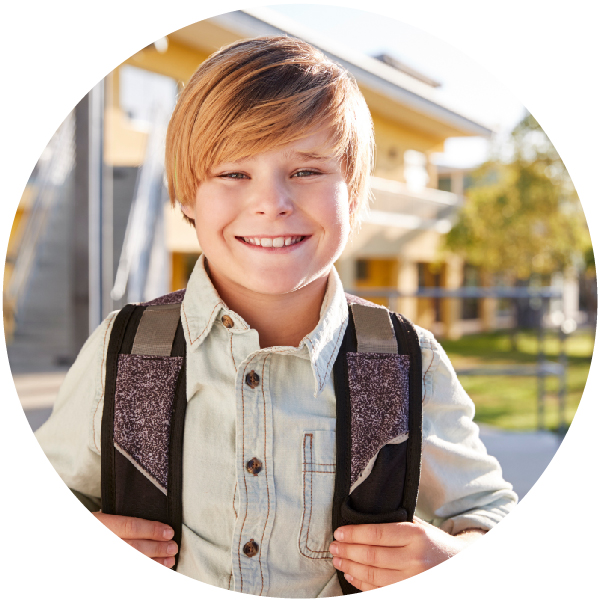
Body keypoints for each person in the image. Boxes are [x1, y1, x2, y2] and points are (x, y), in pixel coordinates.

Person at [35, 36, 517, 596]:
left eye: (308, 170)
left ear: (355, 193)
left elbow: (490, 513)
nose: (272, 202)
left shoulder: (408, 363)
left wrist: (454, 559)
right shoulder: (124, 353)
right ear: (187, 195)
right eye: (234, 174)